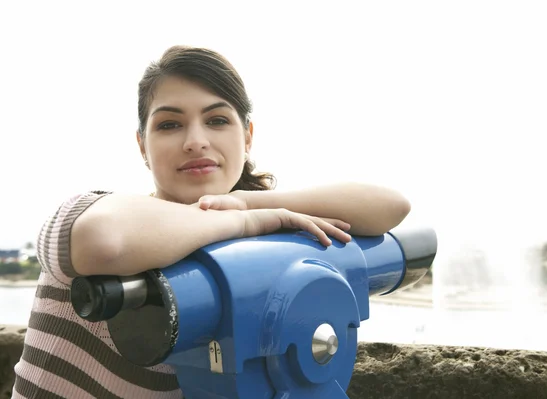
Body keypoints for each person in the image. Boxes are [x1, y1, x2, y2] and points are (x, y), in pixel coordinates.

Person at [11, 45, 411, 398]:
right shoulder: (87, 211)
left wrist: (245, 203)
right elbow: (103, 239)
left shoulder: (256, 240)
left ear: (248, 136)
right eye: (169, 124)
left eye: (217, 120)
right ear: (142, 147)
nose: (195, 140)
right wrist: (247, 223)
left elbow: (390, 207)